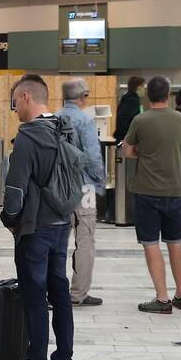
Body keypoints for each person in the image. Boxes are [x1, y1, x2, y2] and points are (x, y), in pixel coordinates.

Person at [0, 74, 75, 360]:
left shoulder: (28, 137)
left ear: (27, 97)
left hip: (35, 227)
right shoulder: (64, 129)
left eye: (15, 100)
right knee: (60, 290)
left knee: (35, 295)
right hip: (61, 222)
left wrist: (8, 218)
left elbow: (15, 190)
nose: (14, 107)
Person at [123, 75, 181, 315]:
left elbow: (128, 151)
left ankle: (162, 299)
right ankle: (180, 294)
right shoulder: (180, 119)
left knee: (151, 244)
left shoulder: (140, 120)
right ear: (168, 94)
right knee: (175, 242)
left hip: (147, 191)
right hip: (175, 190)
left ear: (147, 95)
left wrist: (144, 149)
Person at [56, 78, 106, 307]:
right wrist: (99, 182)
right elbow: (93, 157)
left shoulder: (53, 118)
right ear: (83, 96)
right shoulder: (85, 120)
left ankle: (55, 291)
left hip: (58, 188)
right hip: (83, 186)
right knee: (85, 239)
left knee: (57, 240)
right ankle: (78, 293)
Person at [115, 75, 145, 141]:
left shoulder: (127, 98)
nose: (144, 90)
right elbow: (126, 120)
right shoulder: (132, 101)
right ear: (139, 87)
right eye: (143, 87)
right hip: (128, 139)